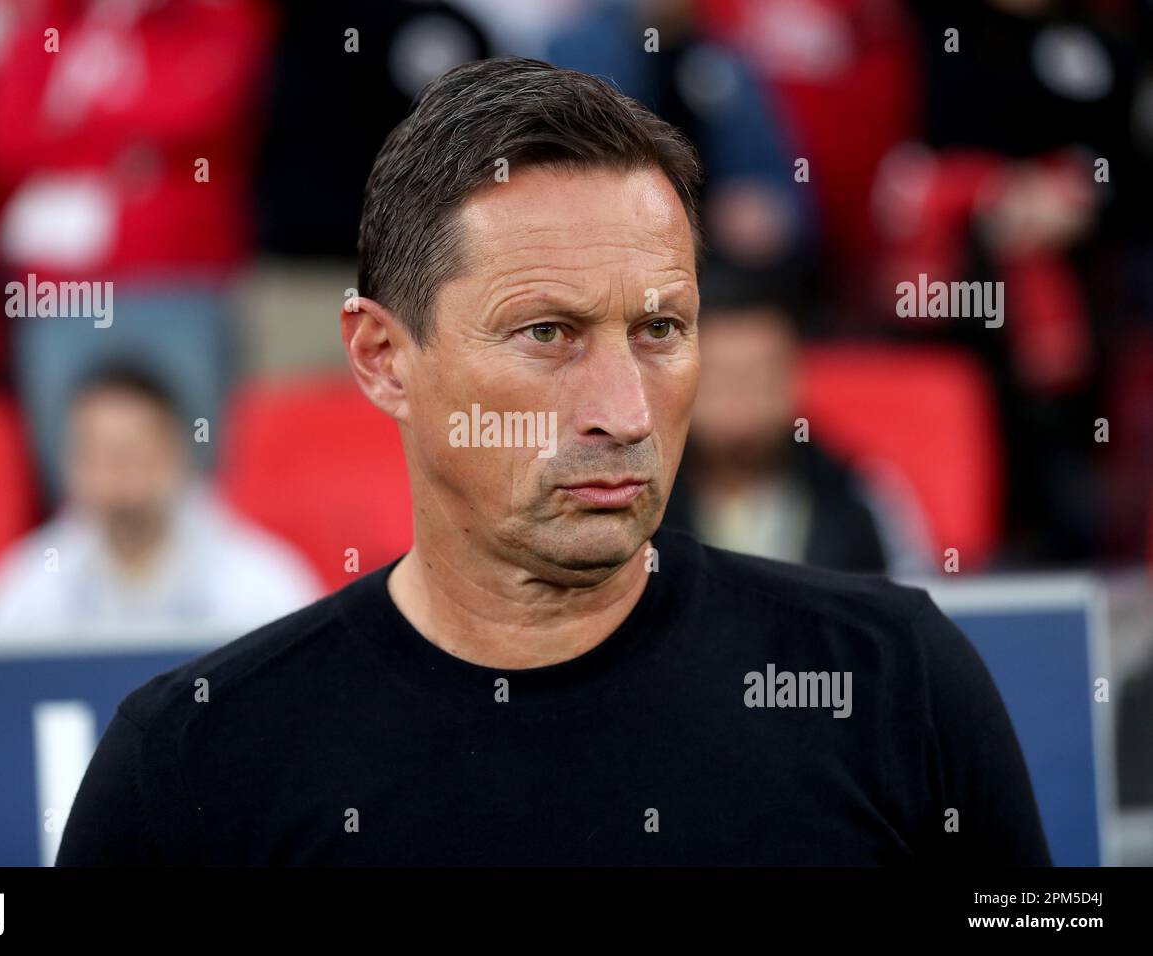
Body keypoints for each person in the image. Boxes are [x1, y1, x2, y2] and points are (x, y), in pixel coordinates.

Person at [57, 57, 1051, 865]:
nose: (622, 410)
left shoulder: (892, 680)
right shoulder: (194, 764)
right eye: (546, 332)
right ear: (381, 357)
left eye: (660, 326)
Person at [0, 362, 322, 641]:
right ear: (68, 464)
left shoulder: (264, 582)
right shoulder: (26, 588)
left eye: (137, 451)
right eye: (101, 453)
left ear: (181, 454)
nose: (120, 471)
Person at [662, 279, 934, 575]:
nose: (742, 403)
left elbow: (911, 600)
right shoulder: (643, 503)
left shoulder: (861, 492)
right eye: (722, 380)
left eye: (761, 379)